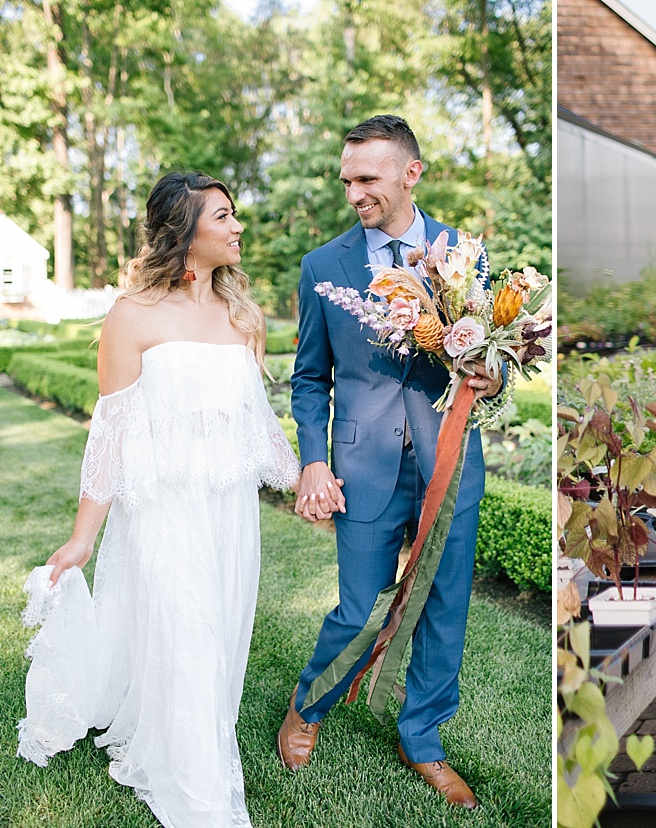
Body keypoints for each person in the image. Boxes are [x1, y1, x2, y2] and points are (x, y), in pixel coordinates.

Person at [18, 171, 300, 827]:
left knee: (220, 634)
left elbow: (256, 423)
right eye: (224, 216)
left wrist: (305, 478)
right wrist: (84, 535)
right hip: (162, 510)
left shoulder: (242, 317)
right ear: (185, 230)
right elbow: (111, 433)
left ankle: (186, 728)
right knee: (189, 633)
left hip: (229, 512)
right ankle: (200, 789)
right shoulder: (131, 316)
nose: (238, 228)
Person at [281, 114, 498, 809]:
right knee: (357, 604)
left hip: (450, 460)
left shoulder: (466, 254)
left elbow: (485, 355)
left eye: (367, 178)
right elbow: (310, 379)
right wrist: (313, 461)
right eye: (347, 180)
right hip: (363, 462)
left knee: (443, 604)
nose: (354, 193)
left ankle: (423, 739)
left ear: (411, 173)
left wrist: (493, 374)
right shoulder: (323, 266)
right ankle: (307, 706)